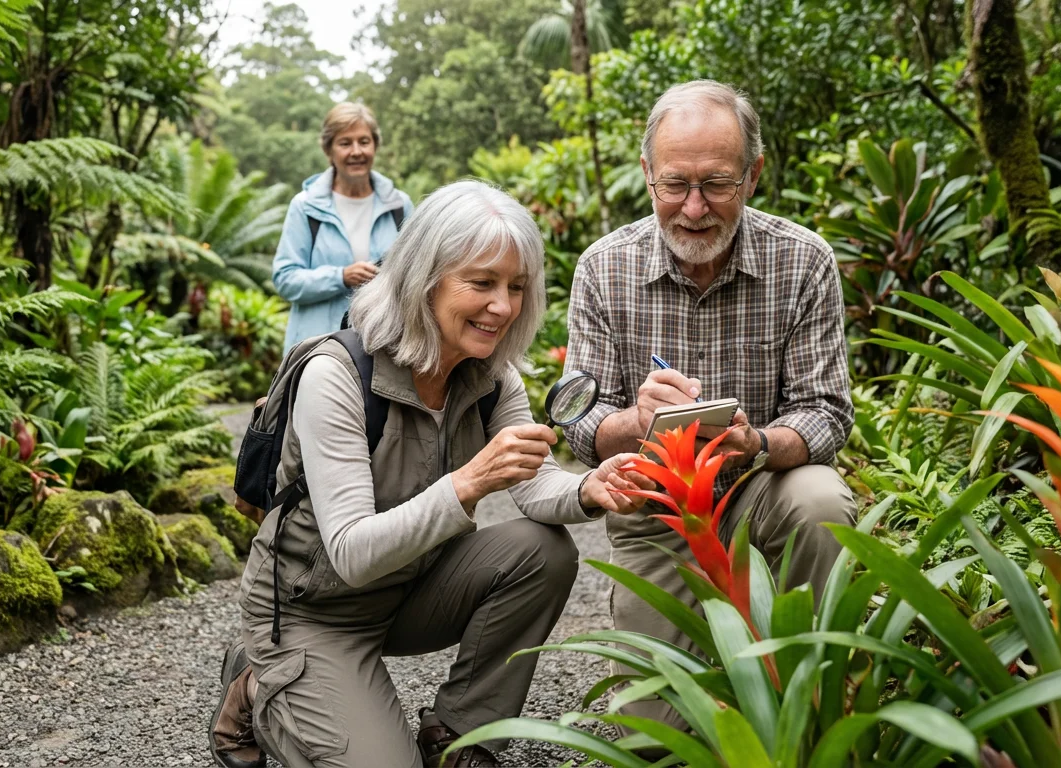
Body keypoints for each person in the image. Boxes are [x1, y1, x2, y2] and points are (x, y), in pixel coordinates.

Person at [209, 180, 654, 768]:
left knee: (541, 549)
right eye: (482, 282)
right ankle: (260, 677)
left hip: (410, 591)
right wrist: (468, 483)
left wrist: (588, 487)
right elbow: (351, 553)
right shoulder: (337, 374)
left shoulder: (492, 376)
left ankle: (459, 737)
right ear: (425, 279)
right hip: (315, 609)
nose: (504, 306)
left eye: (516, 286)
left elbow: (534, 483)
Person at [561, 80, 857, 730]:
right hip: (657, 510)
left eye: (717, 184)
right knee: (653, 734)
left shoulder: (802, 260)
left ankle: (814, 693)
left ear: (752, 174)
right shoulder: (603, 268)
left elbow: (827, 411)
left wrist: (759, 444)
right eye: (675, 185)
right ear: (646, 175)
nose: (694, 208)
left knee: (821, 498)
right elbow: (577, 418)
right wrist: (634, 424)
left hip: (758, 489)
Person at [272, 102, 414, 351]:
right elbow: (285, 279)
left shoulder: (399, 205)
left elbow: (416, 273)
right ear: (329, 151)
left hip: (382, 349)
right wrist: (341, 277)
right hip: (316, 350)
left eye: (364, 141)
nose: (356, 151)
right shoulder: (305, 207)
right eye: (345, 143)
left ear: (375, 146)